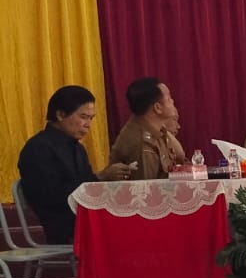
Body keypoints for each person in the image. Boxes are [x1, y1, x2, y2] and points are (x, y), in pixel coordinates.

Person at [16, 86, 137, 244]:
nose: (88, 125)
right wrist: (100, 177)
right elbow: (50, 196)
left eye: (91, 119)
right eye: (83, 117)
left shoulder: (77, 148)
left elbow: (87, 183)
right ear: (60, 114)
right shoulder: (38, 148)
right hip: (64, 226)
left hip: (85, 219)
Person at [108, 77, 184, 179]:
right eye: (169, 99)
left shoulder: (156, 130)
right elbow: (146, 187)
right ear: (158, 108)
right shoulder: (142, 144)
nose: (173, 101)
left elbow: (180, 157)